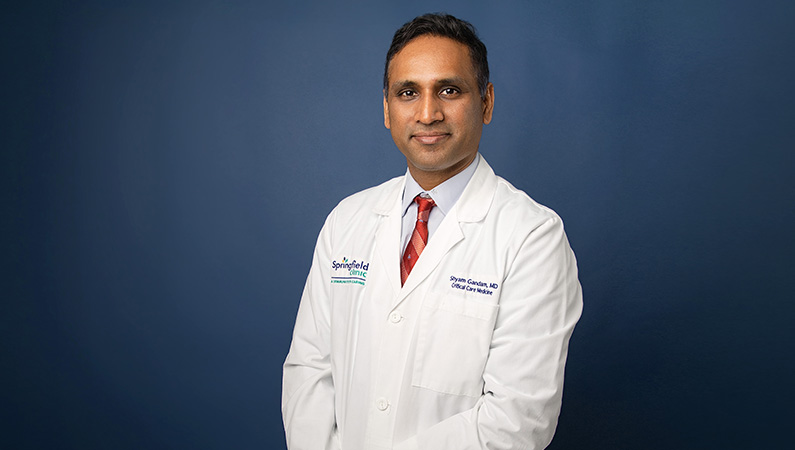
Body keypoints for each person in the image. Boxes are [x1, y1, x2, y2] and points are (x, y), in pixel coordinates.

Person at [282, 13, 582, 450]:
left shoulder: (532, 237)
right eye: (408, 92)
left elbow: (517, 420)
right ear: (387, 109)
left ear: (486, 102)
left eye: (449, 89)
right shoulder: (347, 221)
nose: (428, 113)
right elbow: (309, 370)